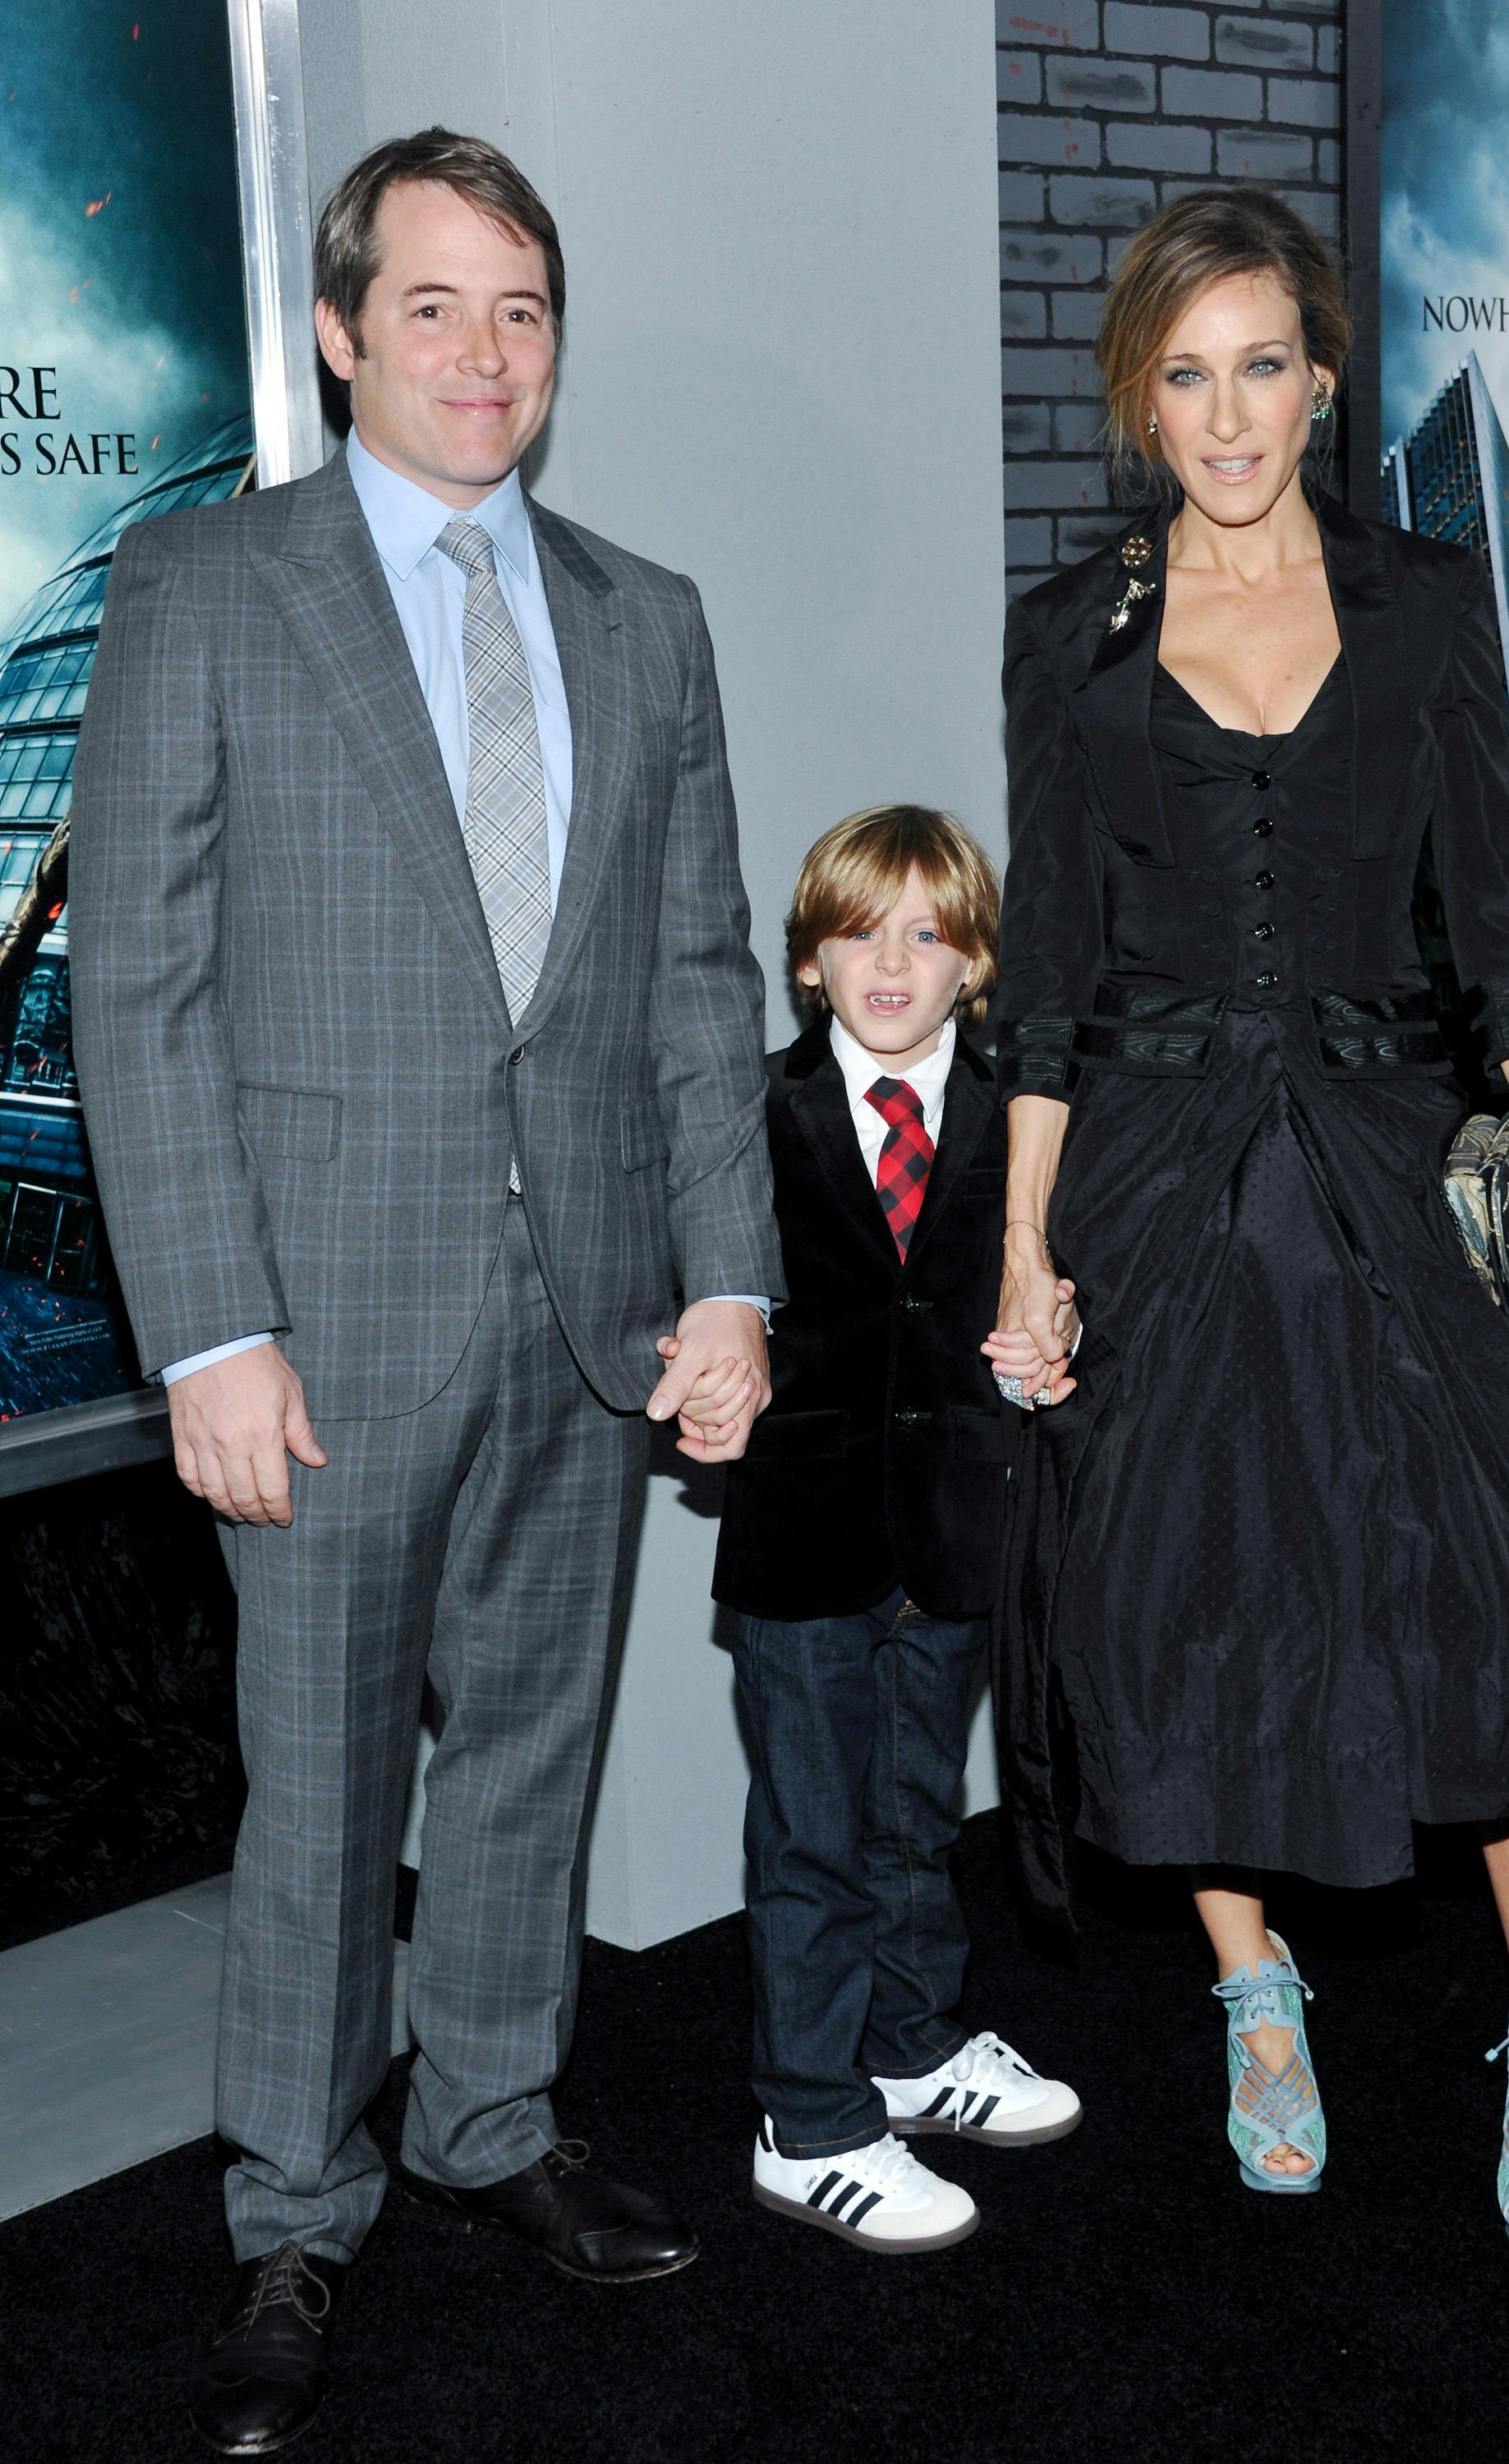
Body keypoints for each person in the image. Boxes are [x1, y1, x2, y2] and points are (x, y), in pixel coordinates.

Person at [68, 130, 781, 2454]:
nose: (487, 355)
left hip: (586, 1318)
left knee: (529, 1767)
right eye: (441, 308)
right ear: (343, 329)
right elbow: (141, 995)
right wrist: (206, 1327)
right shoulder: (200, 593)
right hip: (317, 1334)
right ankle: (294, 2202)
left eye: (526, 313)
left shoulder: (644, 615)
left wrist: (730, 1289)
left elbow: (694, 985)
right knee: (319, 1795)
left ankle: (490, 2121)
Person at [988, 188, 1509, 2246]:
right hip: (1161, 1176)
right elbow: (1048, 981)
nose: (1227, 412)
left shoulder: (1430, 600)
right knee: (1183, 1584)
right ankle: (1246, 1985)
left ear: (1321, 373)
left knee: (1494, 1560)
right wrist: (1021, 1243)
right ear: (1136, 398)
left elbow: (1501, 923)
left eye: (1261, 363)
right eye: (1183, 375)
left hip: (1395, 1142)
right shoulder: (1072, 633)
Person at [713, 805, 1082, 2255]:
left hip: (954, 1532)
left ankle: (910, 2047)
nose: (892, 961)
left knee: (921, 1811)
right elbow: (703, 1291)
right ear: (809, 959)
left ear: (972, 964)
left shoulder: (1017, 1124)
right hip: (802, 1540)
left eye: (927, 935)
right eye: (861, 931)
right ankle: (806, 2118)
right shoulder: (752, 1115)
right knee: (815, 1831)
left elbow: (1062, 1288)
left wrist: (1059, 1337)